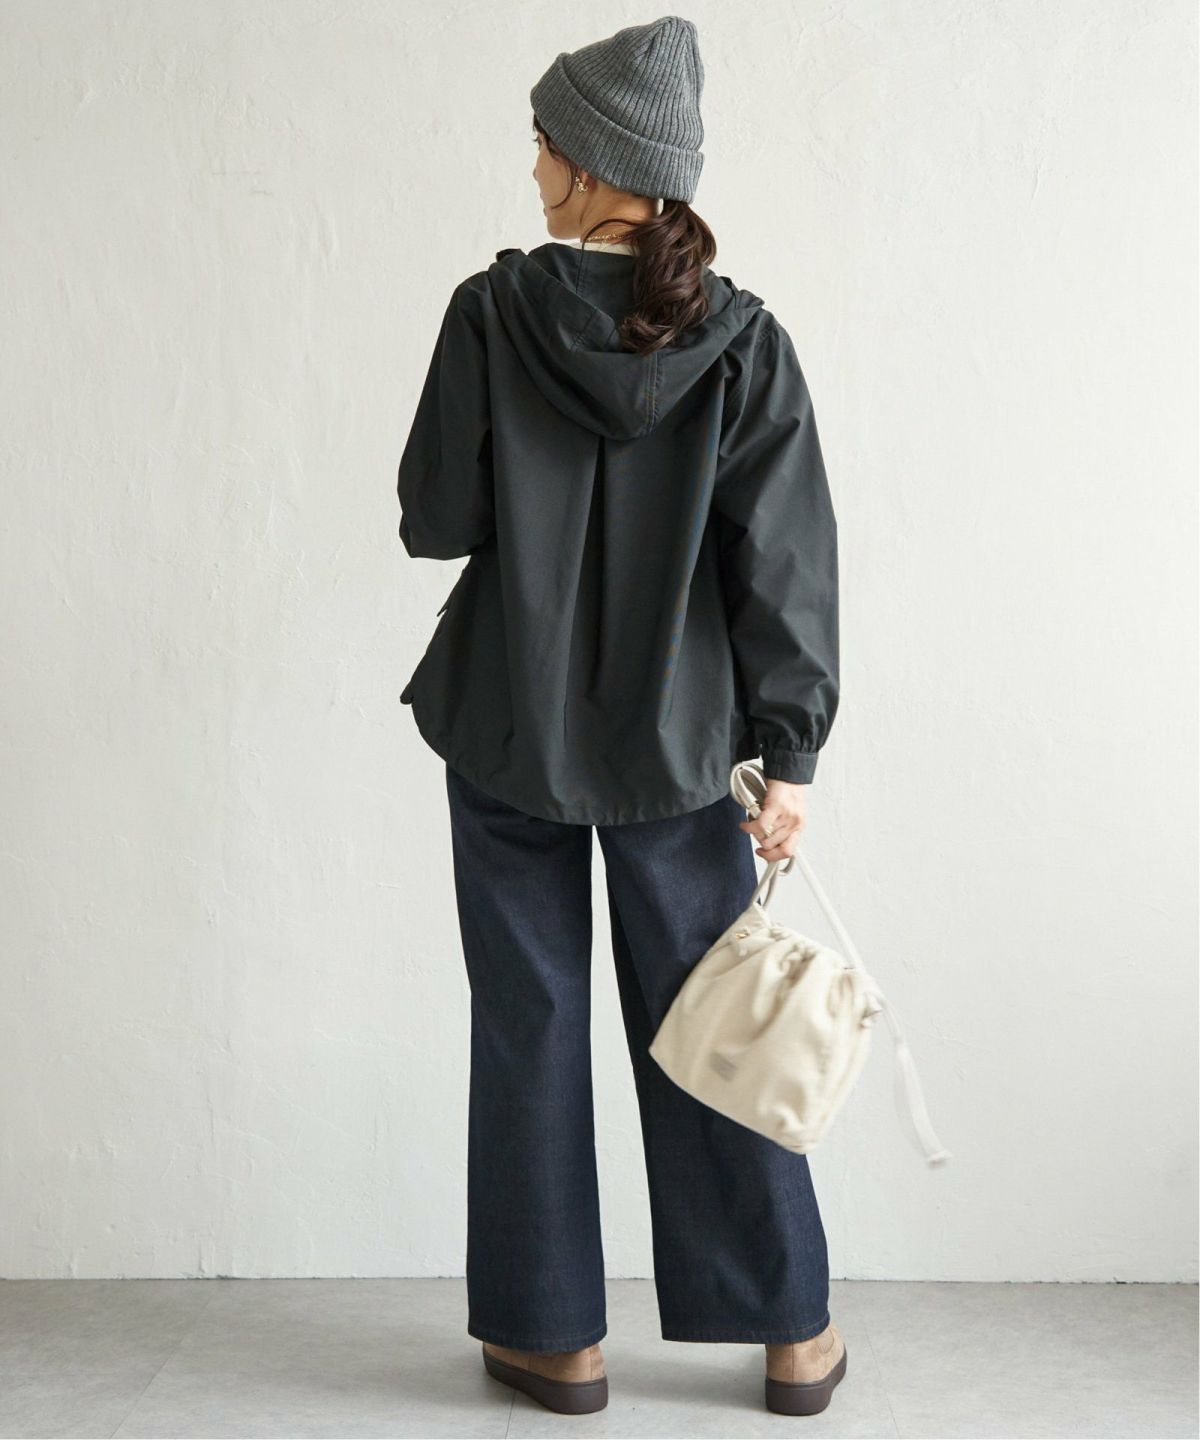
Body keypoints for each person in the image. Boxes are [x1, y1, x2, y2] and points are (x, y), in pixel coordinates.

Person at [395, 14, 845, 1419]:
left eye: (546, 142)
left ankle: (555, 1340)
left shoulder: (491, 313)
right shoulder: (745, 340)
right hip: (684, 746)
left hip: (509, 727)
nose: (533, 165)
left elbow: (434, 518)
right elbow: (785, 565)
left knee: (529, 1022)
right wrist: (792, 754)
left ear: (595, 166)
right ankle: (794, 1331)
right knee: (714, 1020)